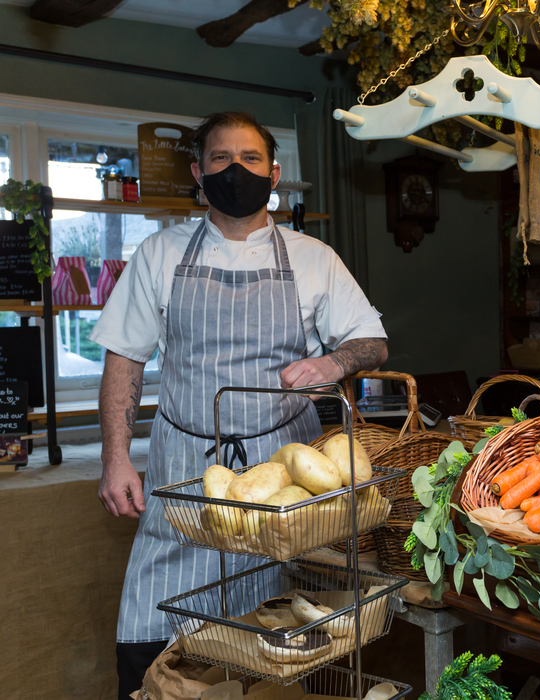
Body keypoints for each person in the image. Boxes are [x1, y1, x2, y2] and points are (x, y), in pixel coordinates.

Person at [90, 112, 388, 699]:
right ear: (199, 174)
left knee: (278, 627)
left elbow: (373, 340)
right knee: (153, 621)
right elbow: (124, 358)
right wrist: (115, 458)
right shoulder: (159, 254)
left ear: (274, 173)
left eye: (250, 159)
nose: (236, 171)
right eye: (221, 159)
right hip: (186, 465)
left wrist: (333, 364)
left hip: (286, 476)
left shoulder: (313, 257)